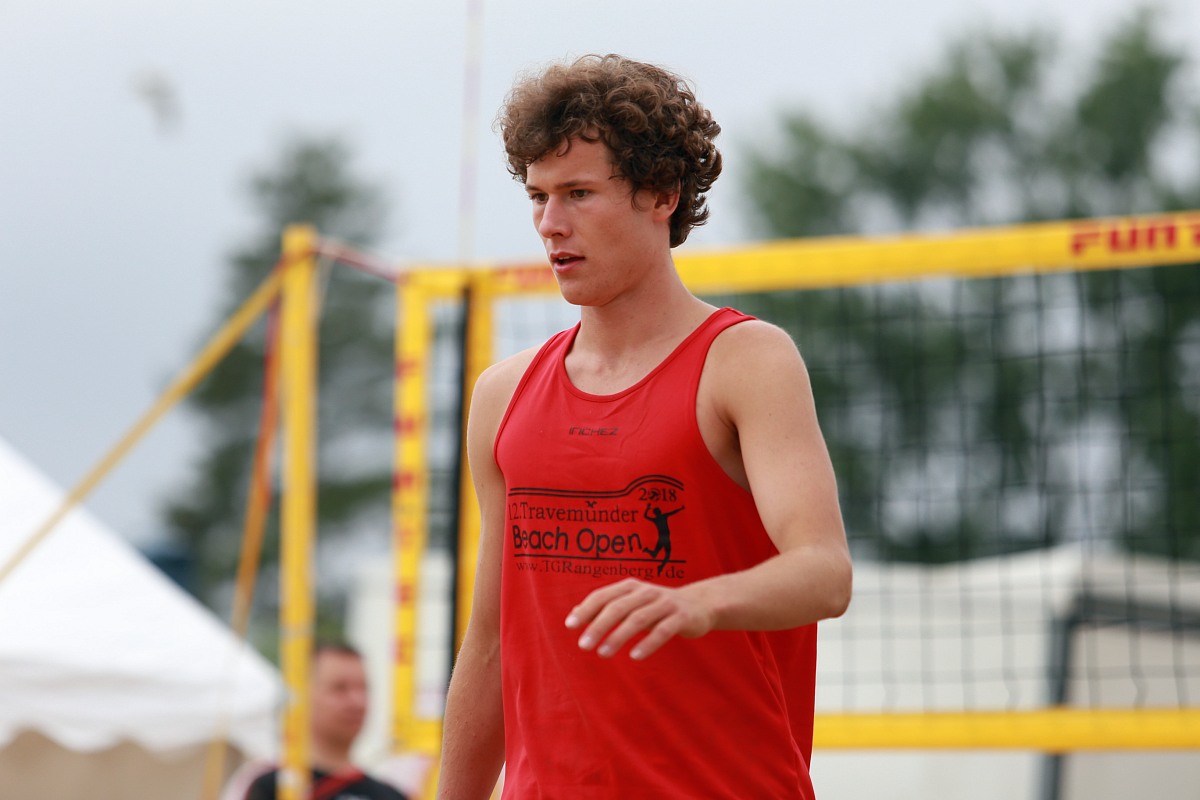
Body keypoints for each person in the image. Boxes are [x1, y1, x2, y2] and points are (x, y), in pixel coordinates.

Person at [437, 54, 852, 799]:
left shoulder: (745, 361)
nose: (550, 224)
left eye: (579, 193)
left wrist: (699, 601)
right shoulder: (502, 395)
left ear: (662, 194)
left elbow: (824, 572)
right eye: (537, 196)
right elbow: (491, 645)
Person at [242, 642, 409, 800]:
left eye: (363, 688)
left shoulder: (391, 796)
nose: (357, 701)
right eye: (340, 688)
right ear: (303, 694)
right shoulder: (273, 788)